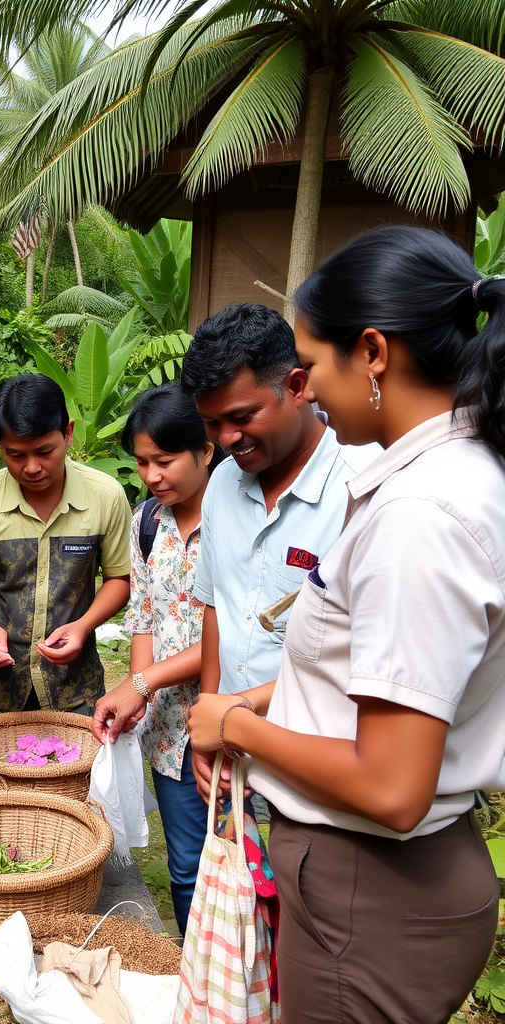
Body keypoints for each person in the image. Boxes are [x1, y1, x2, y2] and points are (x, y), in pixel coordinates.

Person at [188, 225, 505, 1024]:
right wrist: (255, 701)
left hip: (373, 889)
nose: (308, 389)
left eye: (311, 365)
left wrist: (235, 724)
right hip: (385, 888)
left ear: (372, 352)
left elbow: (392, 788)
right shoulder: (457, 475)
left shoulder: (419, 516)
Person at [179, 303, 377, 704]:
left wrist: (237, 711)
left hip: (314, 734)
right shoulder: (221, 483)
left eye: (242, 416)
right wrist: (211, 705)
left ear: (297, 387)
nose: (226, 439)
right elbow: (218, 605)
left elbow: (368, 655)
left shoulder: (364, 487)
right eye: (211, 423)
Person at [91, 384, 215, 935]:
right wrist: (141, 693)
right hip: (169, 730)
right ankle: (195, 969)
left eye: (165, 461)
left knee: (248, 864)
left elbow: (236, 637)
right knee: (186, 867)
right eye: (143, 463)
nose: (152, 476)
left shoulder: (239, 521)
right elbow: (142, 616)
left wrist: (142, 683)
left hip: (235, 717)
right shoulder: (147, 521)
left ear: (205, 450)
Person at [0, 373, 131, 718]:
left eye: (45, 452)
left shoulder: (105, 497)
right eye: (16, 455)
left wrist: (83, 626)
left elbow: (120, 578)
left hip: (76, 687)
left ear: (68, 433)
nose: (32, 468)